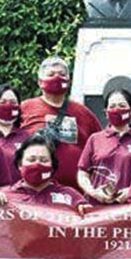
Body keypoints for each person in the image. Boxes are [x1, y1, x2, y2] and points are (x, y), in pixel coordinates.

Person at [19, 57, 102, 188]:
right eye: (51, 74)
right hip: (34, 191)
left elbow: (100, 149)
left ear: (69, 81)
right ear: (40, 82)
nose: (57, 78)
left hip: (76, 192)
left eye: (62, 75)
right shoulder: (25, 109)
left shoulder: (84, 113)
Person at [77, 87, 131, 204]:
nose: (117, 110)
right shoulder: (95, 139)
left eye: (122, 106)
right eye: (112, 106)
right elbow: (83, 173)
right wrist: (93, 192)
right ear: (106, 112)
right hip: (97, 207)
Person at [0, 133, 91, 214]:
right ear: (20, 165)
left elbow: (90, 222)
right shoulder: (6, 197)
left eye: (43, 160)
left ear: (52, 165)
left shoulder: (71, 196)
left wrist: (88, 212)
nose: (37, 164)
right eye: (31, 160)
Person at [0, 83, 31, 182]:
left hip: (19, 190)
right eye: (3, 102)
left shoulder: (27, 137)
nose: (8, 105)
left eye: (13, 102)